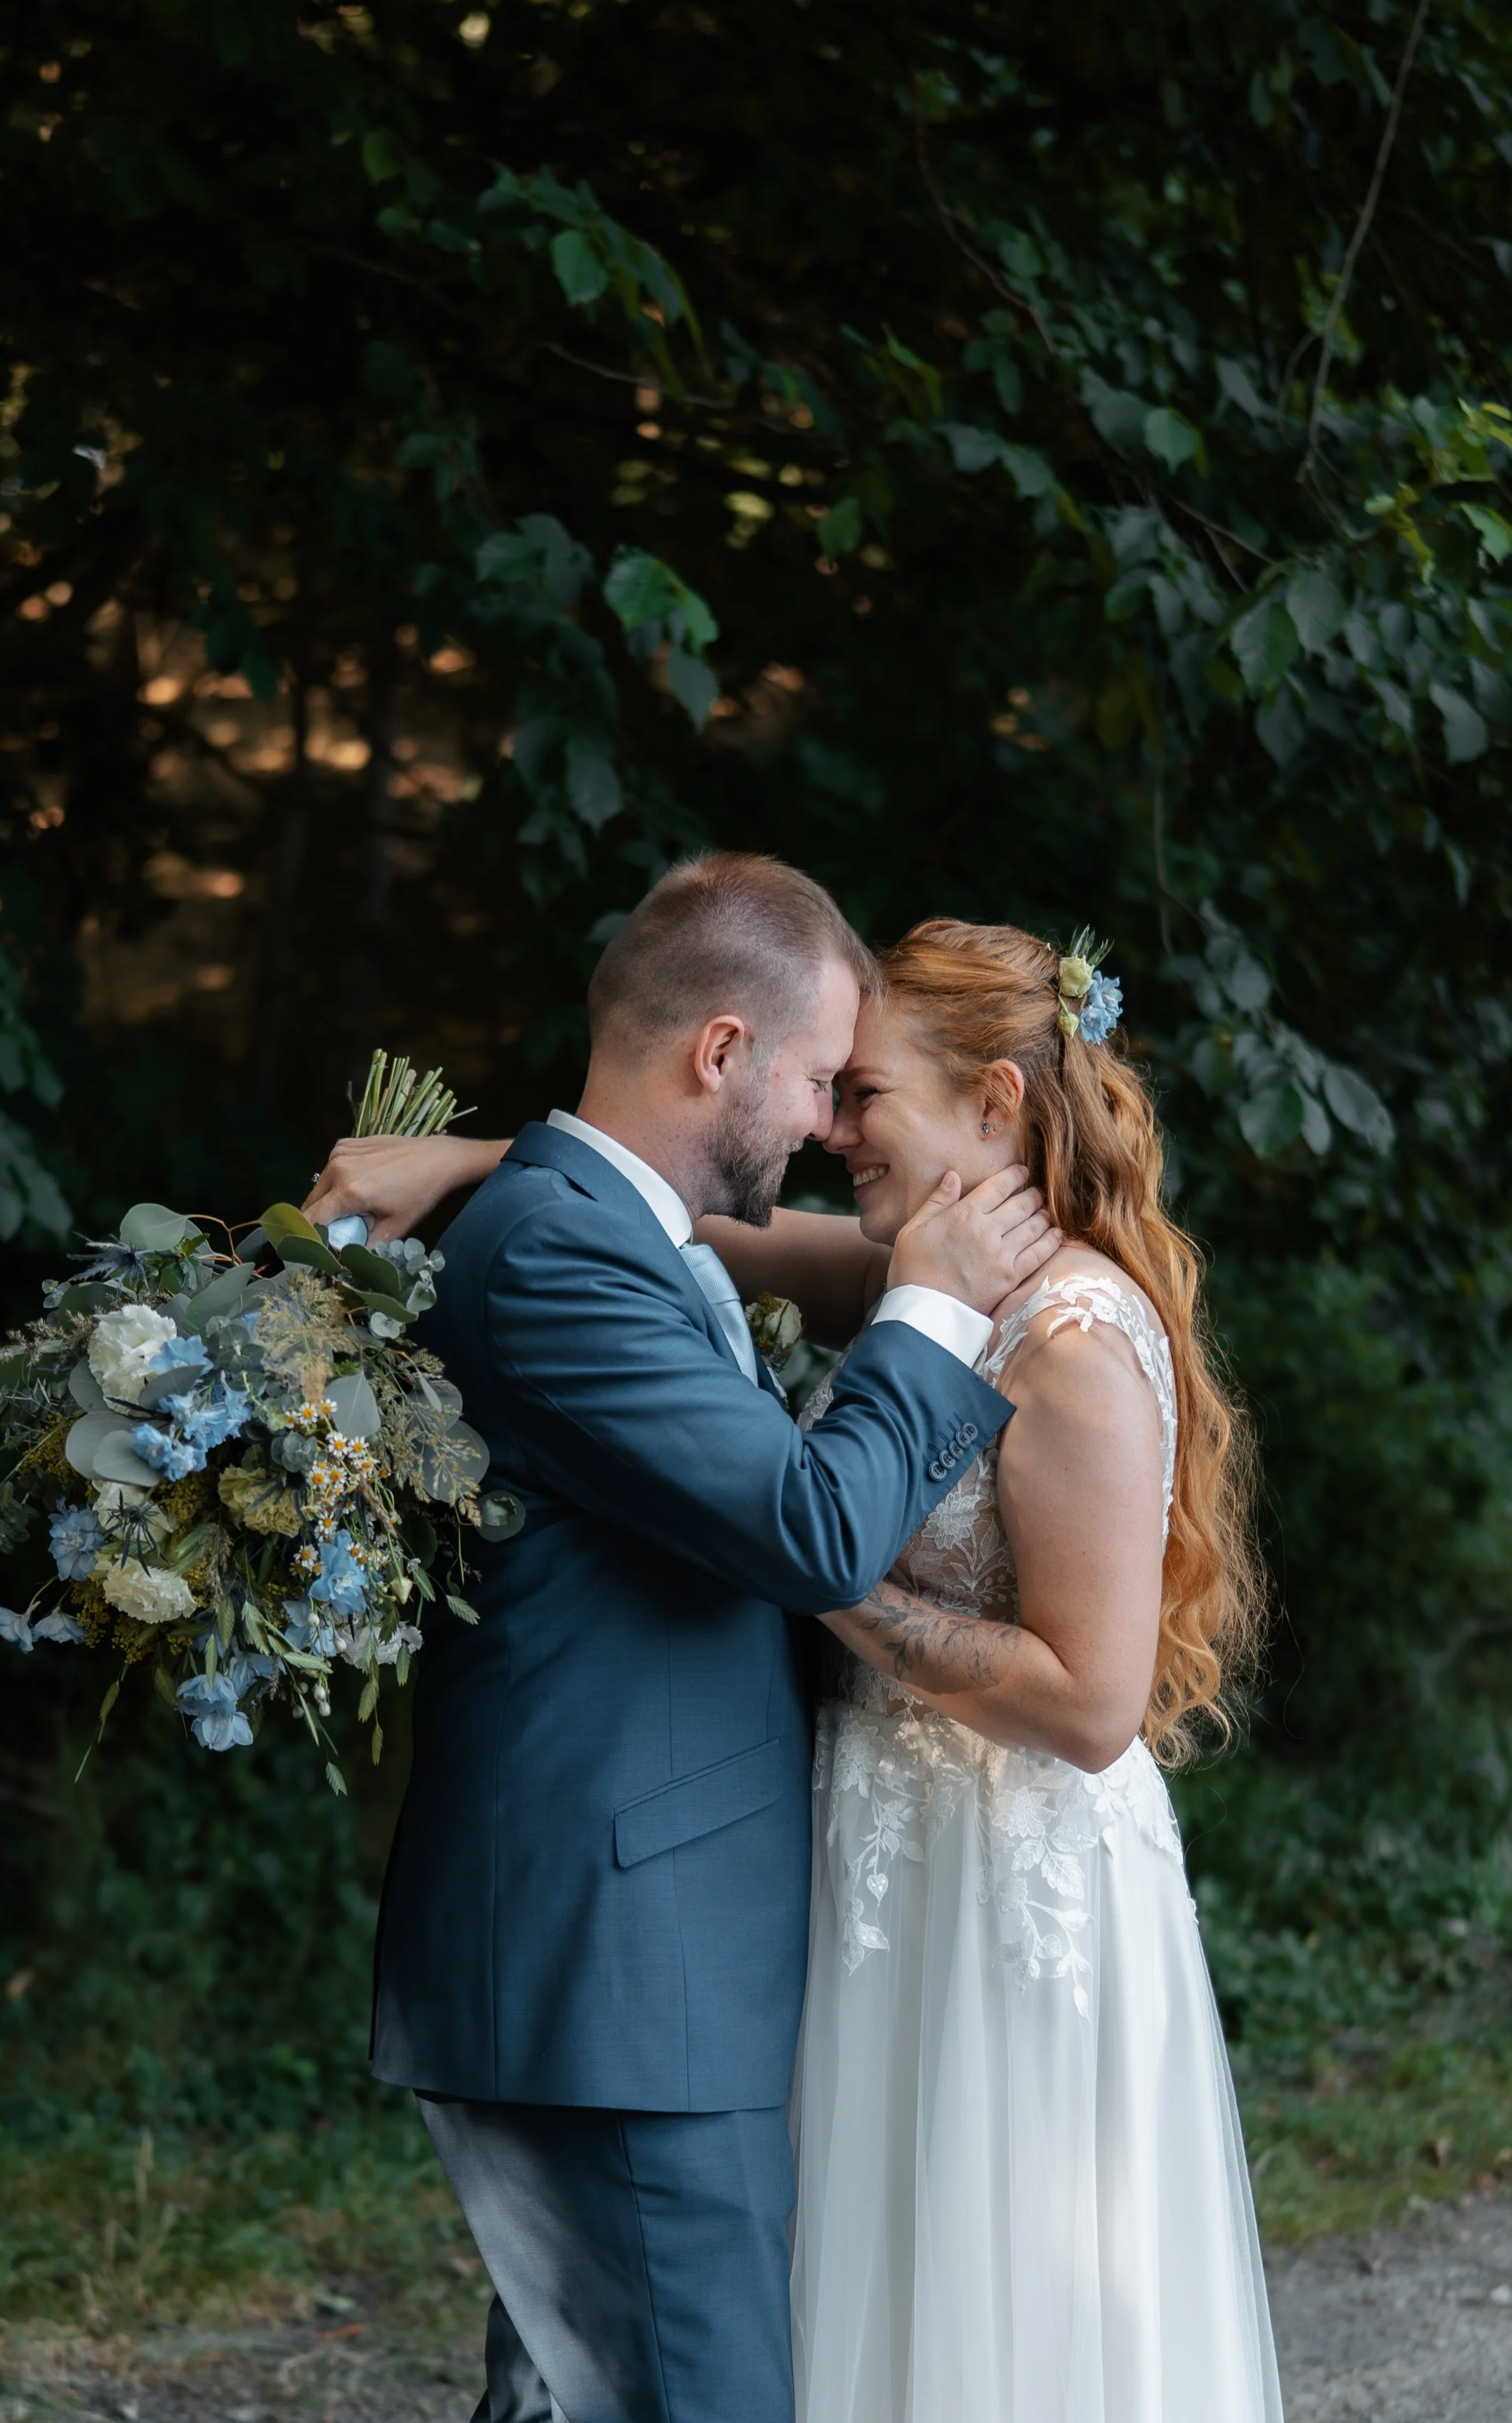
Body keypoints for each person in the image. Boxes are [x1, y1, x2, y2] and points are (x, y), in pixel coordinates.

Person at [313, 906, 1284, 2423]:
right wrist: (474, 1158)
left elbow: (1090, 1704)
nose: (832, 1127)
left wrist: (818, 1590)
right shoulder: (927, 1267)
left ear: (995, 1105)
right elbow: (674, 1213)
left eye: (862, 1091)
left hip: (995, 1886)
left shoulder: (1065, 1331)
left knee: (984, 2316)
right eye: (825, 1086)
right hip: (840, 1890)